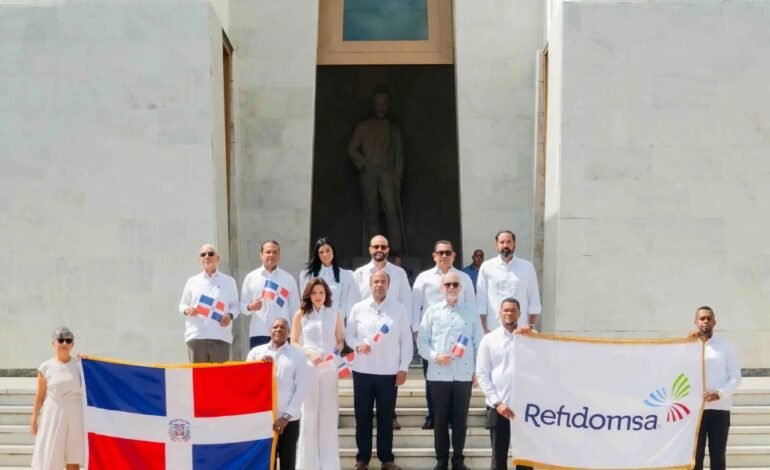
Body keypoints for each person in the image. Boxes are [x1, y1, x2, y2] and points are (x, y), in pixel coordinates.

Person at [345, 271, 413, 470]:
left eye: (383, 282)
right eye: (376, 281)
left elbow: (406, 341)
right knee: (362, 416)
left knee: (385, 417)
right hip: (362, 371)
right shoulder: (358, 308)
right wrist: (357, 345)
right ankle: (362, 459)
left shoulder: (398, 309)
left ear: (389, 285)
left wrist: (403, 368)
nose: (379, 285)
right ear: (370, 284)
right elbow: (348, 335)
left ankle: (386, 459)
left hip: (389, 372)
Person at [417, 273, 484, 470]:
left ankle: (458, 460)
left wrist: (477, 371)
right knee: (440, 420)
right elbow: (421, 342)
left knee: (460, 420)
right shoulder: (431, 312)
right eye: (448, 284)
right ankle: (442, 459)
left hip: (463, 375)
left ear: (460, 288)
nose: (452, 287)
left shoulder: (471, 312)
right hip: (438, 375)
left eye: (455, 284)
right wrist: (436, 356)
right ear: (442, 287)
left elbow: (479, 343)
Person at [412, 240, 476, 430]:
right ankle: (433, 415)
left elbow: (471, 306)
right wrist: (416, 331)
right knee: (432, 380)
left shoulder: (463, 278)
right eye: (440, 252)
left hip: (459, 339)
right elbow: (415, 305)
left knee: (456, 381)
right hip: (433, 337)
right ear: (434, 256)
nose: (444, 256)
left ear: (453, 255)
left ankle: (452, 418)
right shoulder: (423, 278)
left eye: (448, 252)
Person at [353, 234, 412, 430]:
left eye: (383, 247)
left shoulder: (399, 273)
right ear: (370, 249)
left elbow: (407, 302)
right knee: (363, 409)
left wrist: (409, 328)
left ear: (388, 249)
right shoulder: (360, 273)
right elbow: (352, 305)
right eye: (376, 246)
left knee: (387, 401)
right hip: (365, 341)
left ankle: (390, 417)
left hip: (390, 336)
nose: (380, 250)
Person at [291, 278, 345, 470]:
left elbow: (340, 341)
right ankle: (308, 464)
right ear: (309, 294)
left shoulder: (334, 313)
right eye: (314, 293)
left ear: (326, 294)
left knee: (328, 413)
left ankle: (329, 464)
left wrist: (334, 354)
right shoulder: (301, 314)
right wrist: (309, 353)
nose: (318, 296)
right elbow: (294, 341)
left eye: (321, 292)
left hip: (329, 367)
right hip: (310, 365)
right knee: (310, 412)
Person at [475, 298, 534, 470]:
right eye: (506, 310)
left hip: (524, 408)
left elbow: (545, 353)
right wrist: (497, 403)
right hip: (499, 407)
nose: (509, 313)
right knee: (498, 458)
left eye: (513, 310)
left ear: (519, 314)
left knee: (525, 459)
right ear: (499, 313)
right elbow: (481, 374)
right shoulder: (489, 340)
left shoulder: (530, 338)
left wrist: (531, 329)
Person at [347, 90, 406, 254]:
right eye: (378, 104)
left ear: (387, 106)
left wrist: (398, 177)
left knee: (392, 211)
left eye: (383, 104)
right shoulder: (363, 126)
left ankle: (397, 251)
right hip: (369, 172)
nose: (380, 108)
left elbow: (399, 155)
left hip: (387, 173)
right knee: (371, 211)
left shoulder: (394, 129)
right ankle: (374, 250)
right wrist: (364, 165)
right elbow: (352, 149)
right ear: (374, 106)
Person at [248, 318, 310, 470]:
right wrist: (259, 366)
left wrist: (286, 417)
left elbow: (302, 388)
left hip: (289, 420)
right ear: (269, 331)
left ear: (288, 332)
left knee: (288, 462)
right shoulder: (256, 352)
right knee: (266, 464)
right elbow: (246, 381)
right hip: (263, 419)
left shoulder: (298, 355)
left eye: (283, 327)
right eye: (275, 327)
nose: (278, 330)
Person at [690, 306, 741, 470]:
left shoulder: (726, 347)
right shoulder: (687, 347)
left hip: (719, 410)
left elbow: (736, 377)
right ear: (695, 322)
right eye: (702, 318)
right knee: (695, 457)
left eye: (709, 318)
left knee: (718, 456)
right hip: (695, 412)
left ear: (714, 322)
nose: (705, 321)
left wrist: (720, 394)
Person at [30, 327, 84, 470]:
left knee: (74, 456)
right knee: (50, 455)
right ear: (53, 343)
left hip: (75, 412)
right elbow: (40, 395)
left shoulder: (80, 366)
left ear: (73, 344)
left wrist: (89, 362)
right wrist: (34, 418)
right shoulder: (46, 367)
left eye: (68, 340)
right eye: (60, 340)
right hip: (53, 411)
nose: (64, 343)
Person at [178, 244, 239, 363]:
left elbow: (235, 306)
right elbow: (182, 305)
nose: (207, 256)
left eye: (211, 254)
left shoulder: (229, 281)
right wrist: (187, 310)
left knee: (219, 380)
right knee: (198, 380)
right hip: (196, 336)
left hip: (220, 337)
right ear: (199, 259)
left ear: (217, 258)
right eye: (203, 254)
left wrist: (229, 315)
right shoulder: (192, 281)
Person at [477, 231, 541, 333]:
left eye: (508, 242)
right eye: (502, 242)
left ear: (514, 244)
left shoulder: (527, 267)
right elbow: (481, 301)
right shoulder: (486, 267)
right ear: (496, 245)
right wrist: (484, 328)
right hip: (493, 328)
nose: (505, 245)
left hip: (521, 329)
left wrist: (531, 325)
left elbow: (534, 299)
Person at [241, 240, 301, 348]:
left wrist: (294, 334)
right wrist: (250, 307)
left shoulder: (288, 279)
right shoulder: (251, 277)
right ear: (261, 255)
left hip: (283, 333)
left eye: (275, 252)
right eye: (268, 252)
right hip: (259, 332)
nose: (271, 255)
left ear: (279, 255)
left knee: (283, 365)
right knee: (260, 365)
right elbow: (242, 306)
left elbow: (295, 308)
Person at [299, 238, 359, 320]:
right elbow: (305, 301)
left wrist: (335, 322)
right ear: (317, 255)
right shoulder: (307, 275)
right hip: (313, 320)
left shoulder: (346, 275)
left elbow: (345, 303)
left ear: (333, 251)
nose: (325, 254)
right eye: (321, 252)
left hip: (336, 322)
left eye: (328, 250)